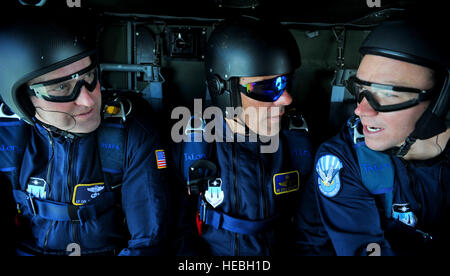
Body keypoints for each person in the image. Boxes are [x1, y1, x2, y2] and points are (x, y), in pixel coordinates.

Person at [0, 16, 171, 255]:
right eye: (61, 88)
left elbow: (149, 241)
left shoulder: (130, 133)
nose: (88, 100)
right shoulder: (8, 138)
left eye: (89, 77)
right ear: (23, 101)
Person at [303, 17, 449, 255]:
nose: (361, 110)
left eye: (389, 94)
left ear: (441, 102)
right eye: (361, 90)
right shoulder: (343, 159)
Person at [172, 16, 313, 256]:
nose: (287, 99)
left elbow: (311, 233)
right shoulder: (195, 146)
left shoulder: (297, 144)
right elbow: (177, 230)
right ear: (224, 91)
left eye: (286, 82)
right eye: (268, 87)